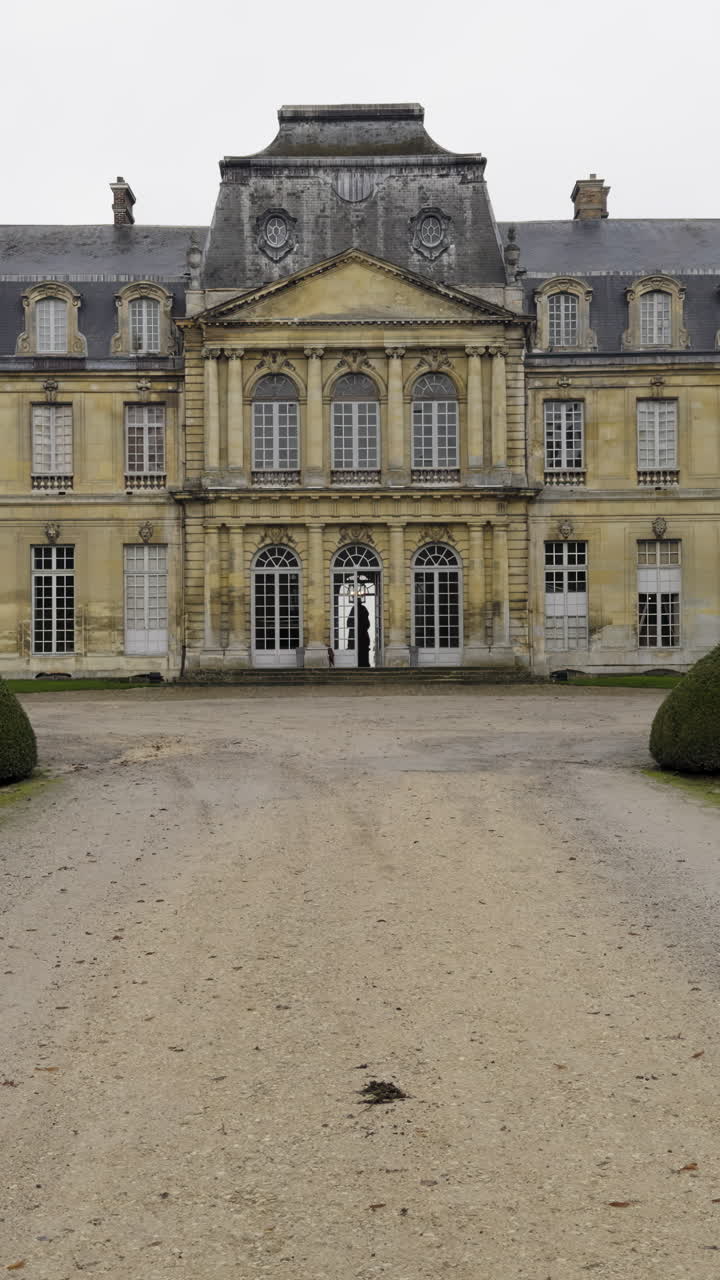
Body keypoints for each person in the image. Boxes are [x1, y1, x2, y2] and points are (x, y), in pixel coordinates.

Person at [347, 599, 371, 667]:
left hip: (357, 635)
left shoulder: (354, 609)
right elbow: (367, 624)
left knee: (361, 648)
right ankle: (364, 664)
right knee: (363, 650)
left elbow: (349, 623)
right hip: (362, 635)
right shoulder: (363, 609)